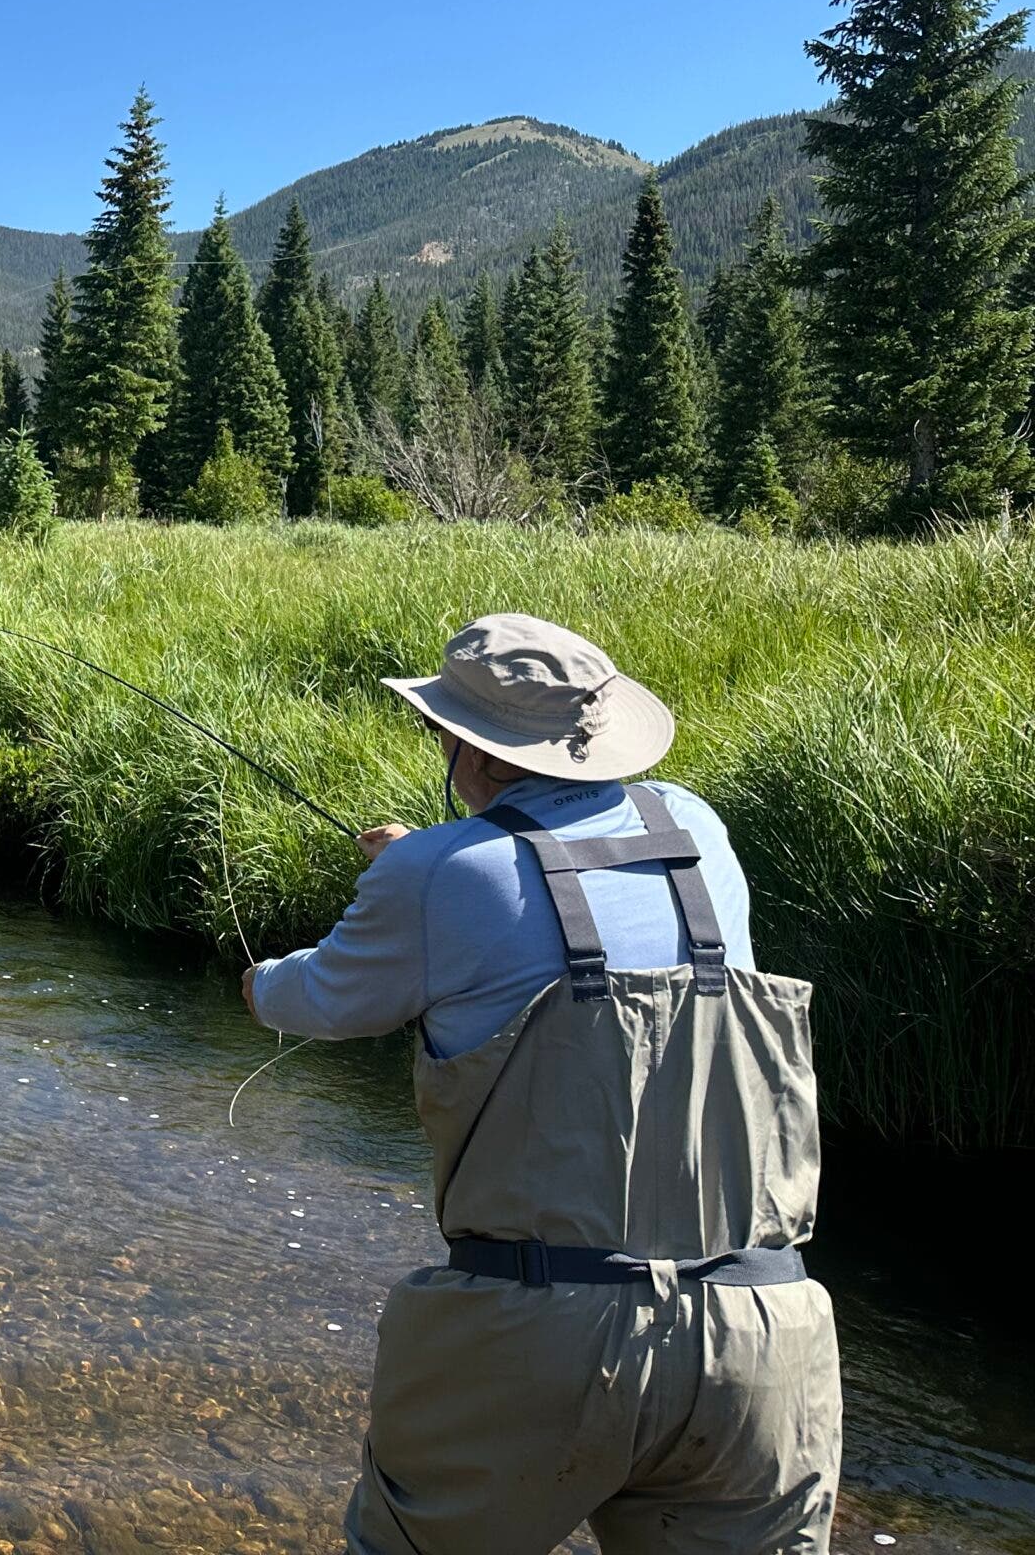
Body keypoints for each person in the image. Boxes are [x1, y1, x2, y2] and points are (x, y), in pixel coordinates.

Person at [244, 613, 840, 1555]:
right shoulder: (700, 831)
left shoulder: (437, 871)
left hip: (537, 1334)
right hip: (764, 1331)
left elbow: (313, 1001)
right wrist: (429, 863)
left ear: (473, 752)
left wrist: (267, 973)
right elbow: (566, 885)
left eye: (446, 735)